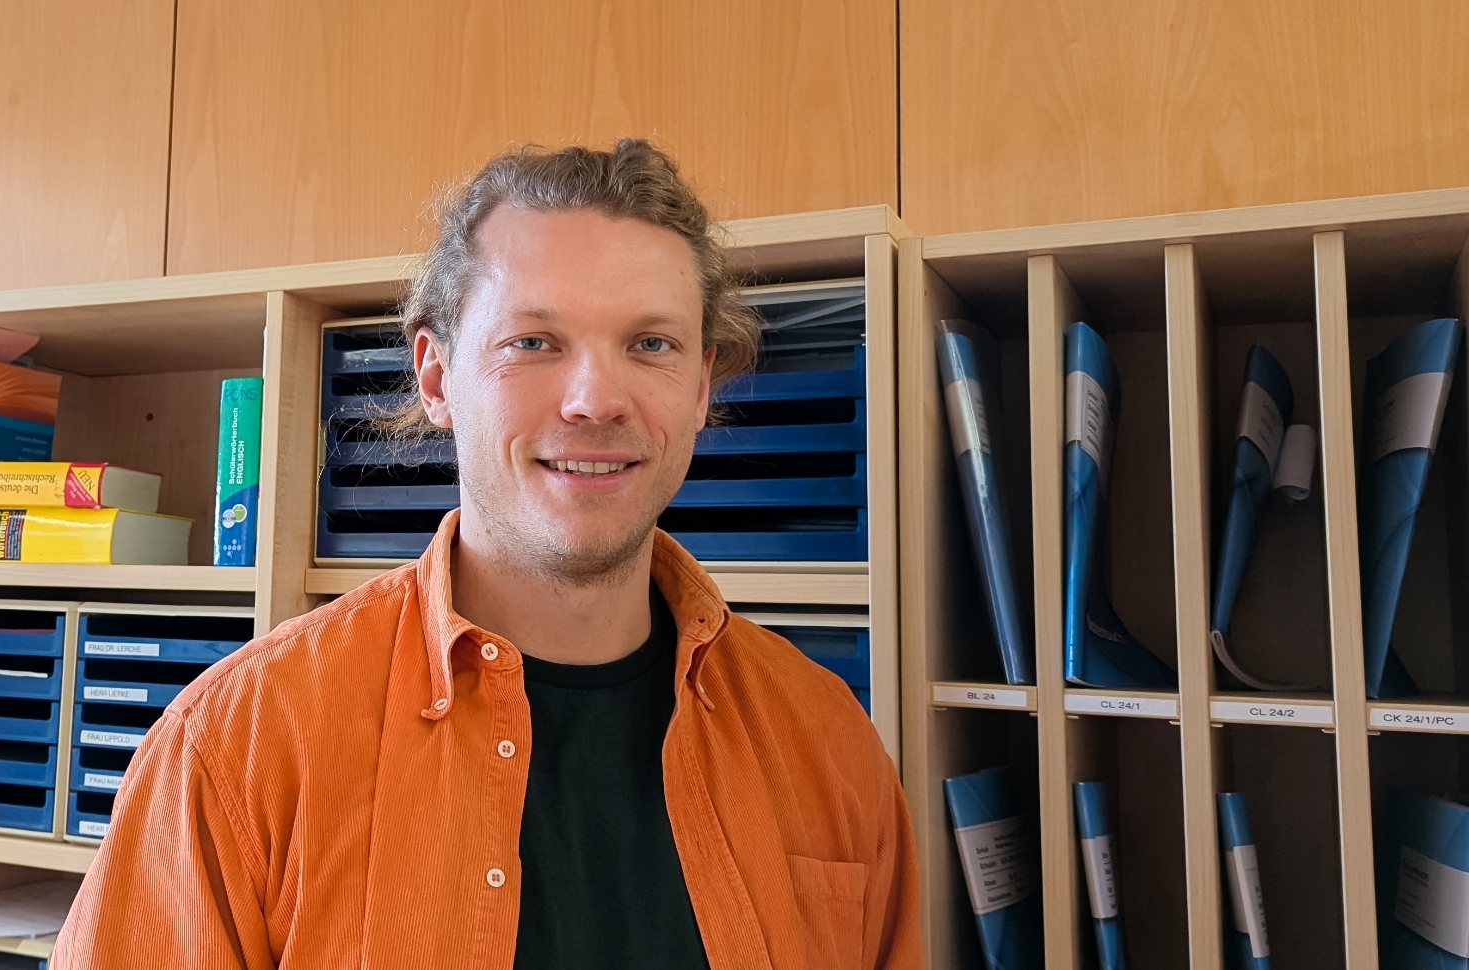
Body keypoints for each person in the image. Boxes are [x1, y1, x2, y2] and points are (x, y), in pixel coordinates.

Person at [55, 139, 921, 969]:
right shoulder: (242, 744)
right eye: (533, 342)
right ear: (436, 379)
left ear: (701, 387)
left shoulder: (828, 741)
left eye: (650, 343)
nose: (594, 399)